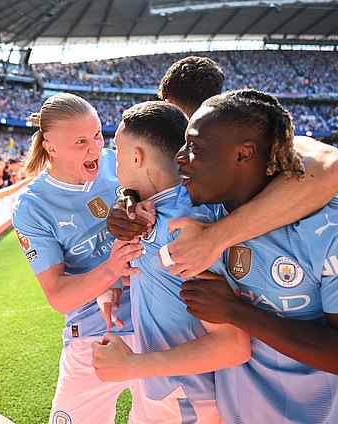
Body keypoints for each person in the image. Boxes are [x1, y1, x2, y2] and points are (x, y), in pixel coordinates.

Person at [177, 90, 338, 423]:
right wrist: (125, 199)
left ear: (244, 153)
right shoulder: (201, 211)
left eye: (195, 148)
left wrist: (234, 311)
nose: (180, 157)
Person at [92, 101, 250, 422]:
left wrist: (131, 365)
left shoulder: (183, 228)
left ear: (137, 157)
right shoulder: (163, 208)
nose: (114, 161)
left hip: (185, 398)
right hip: (169, 390)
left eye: (118, 151)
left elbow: (232, 344)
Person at [12, 93, 152, 423]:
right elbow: (58, 296)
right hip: (92, 337)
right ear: (50, 146)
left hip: (156, 324)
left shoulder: (116, 163)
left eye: (97, 135)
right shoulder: (32, 207)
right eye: (80, 141)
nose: (94, 148)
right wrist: (111, 268)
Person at [148, 56, 338, 279]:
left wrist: (213, 239)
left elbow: (335, 167)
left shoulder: (254, 139)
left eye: (195, 146)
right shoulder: (166, 153)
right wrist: (128, 195)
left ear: (168, 105)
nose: (183, 156)